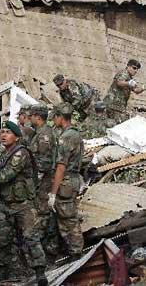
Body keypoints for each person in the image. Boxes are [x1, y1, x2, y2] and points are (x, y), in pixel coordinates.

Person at [0, 121, 47, 285]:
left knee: (31, 238)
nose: (3, 135)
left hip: (23, 204)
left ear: (17, 137)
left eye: (8, 132)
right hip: (6, 203)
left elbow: (5, 175)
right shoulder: (4, 153)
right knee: (1, 239)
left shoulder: (20, 153)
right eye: (2, 132)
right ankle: (4, 270)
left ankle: (40, 273)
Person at [48, 103, 84, 260]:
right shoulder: (75, 134)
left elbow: (61, 167)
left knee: (68, 220)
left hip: (66, 181)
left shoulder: (66, 137)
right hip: (73, 179)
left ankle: (76, 253)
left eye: (55, 118)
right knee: (67, 218)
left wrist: (53, 193)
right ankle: (72, 252)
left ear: (60, 117)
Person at [29, 104, 57, 253]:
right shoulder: (40, 132)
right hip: (41, 179)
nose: (30, 118)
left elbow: (44, 161)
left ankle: (43, 244)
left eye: (32, 116)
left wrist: (36, 179)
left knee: (42, 211)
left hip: (43, 181)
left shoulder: (44, 135)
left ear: (37, 117)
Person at [103, 59, 145, 123]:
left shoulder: (130, 79)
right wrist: (128, 83)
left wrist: (143, 87)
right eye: (134, 68)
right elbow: (119, 83)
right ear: (128, 66)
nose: (136, 71)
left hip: (118, 107)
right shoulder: (123, 73)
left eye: (137, 69)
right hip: (111, 104)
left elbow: (136, 90)